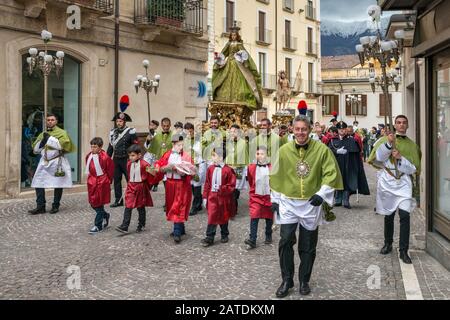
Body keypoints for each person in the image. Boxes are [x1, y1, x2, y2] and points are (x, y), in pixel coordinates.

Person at [270, 116, 343, 297]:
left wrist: (322, 193)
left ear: (310, 129)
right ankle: (287, 279)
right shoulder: (284, 150)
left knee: (308, 245)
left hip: (311, 203)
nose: (300, 132)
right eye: (297, 129)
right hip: (288, 202)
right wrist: (275, 199)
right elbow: (276, 175)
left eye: (304, 129)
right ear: (292, 130)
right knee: (286, 240)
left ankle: (304, 280)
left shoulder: (322, 150)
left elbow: (330, 173)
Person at [368, 115, 422, 264]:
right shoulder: (385, 140)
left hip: (404, 182)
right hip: (388, 182)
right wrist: (388, 144)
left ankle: (403, 250)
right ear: (394, 125)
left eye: (404, 122)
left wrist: (401, 159)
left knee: (405, 216)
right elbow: (378, 157)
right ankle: (388, 243)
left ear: (408, 125)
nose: (401, 125)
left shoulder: (412, 146)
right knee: (389, 215)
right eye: (398, 122)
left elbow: (413, 169)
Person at [152, 134, 196, 243]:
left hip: (181, 184)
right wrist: (162, 168)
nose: (180, 147)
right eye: (178, 145)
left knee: (178, 206)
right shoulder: (167, 154)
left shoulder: (186, 156)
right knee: (172, 205)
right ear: (173, 144)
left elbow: (192, 171)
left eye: (181, 145)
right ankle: (181, 228)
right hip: (170, 184)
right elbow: (159, 164)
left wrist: (182, 170)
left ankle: (177, 231)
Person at [28, 113, 75, 215]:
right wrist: (41, 142)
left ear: (56, 121)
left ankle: (55, 205)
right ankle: (40, 206)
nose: (50, 121)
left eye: (52, 120)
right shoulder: (42, 133)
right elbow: (36, 149)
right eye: (48, 120)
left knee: (58, 184)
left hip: (56, 161)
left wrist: (49, 139)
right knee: (38, 182)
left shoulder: (62, 133)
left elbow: (63, 146)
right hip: (44, 161)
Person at [212, 24, 263, 110]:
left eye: (235, 35)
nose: (233, 36)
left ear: (237, 36)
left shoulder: (239, 44)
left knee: (238, 81)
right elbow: (224, 53)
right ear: (230, 36)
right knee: (225, 79)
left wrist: (246, 62)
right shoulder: (228, 44)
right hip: (229, 63)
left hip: (237, 64)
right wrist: (218, 61)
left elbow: (244, 54)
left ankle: (237, 98)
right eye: (232, 35)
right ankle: (226, 98)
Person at [115, 145, 156, 234]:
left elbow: (153, 173)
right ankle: (125, 226)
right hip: (131, 186)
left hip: (140, 187)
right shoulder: (129, 163)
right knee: (128, 206)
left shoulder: (145, 164)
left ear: (139, 155)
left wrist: (149, 184)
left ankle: (141, 224)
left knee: (140, 206)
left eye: (133, 155)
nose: (130, 157)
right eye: (129, 155)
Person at [329, 121, 370, 209]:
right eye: (340, 129)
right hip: (337, 165)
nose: (342, 131)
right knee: (338, 181)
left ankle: (346, 200)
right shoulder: (333, 140)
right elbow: (329, 151)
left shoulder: (351, 140)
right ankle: (338, 199)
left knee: (347, 181)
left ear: (346, 130)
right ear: (338, 130)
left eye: (344, 129)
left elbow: (356, 152)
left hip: (348, 165)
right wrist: (336, 151)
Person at [107, 97, 139, 207]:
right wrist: (107, 159)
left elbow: (135, 146)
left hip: (126, 159)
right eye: (117, 121)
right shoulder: (112, 132)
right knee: (117, 180)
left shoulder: (130, 132)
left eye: (120, 121)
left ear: (124, 122)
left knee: (130, 180)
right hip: (116, 159)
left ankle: (133, 199)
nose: (118, 123)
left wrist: (135, 159)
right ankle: (118, 200)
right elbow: (111, 147)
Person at [202, 148, 236, 247]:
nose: (212, 157)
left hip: (223, 198)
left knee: (223, 215)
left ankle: (224, 233)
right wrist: (205, 196)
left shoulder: (228, 170)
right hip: (212, 196)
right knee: (212, 216)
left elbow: (231, 186)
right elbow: (207, 183)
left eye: (214, 155)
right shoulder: (210, 169)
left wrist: (222, 188)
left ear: (221, 157)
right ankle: (209, 237)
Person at [245, 146, 273, 249]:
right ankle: (252, 239)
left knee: (269, 217)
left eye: (262, 154)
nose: (259, 156)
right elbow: (250, 179)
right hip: (256, 196)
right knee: (254, 216)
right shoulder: (251, 167)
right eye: (257, 154)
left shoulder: (272, 167)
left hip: (268, 196)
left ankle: (268, 234)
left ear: (267, 155)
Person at [85, 137, 114, 234]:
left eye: (95, 147)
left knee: (99, 203)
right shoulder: (89, 155)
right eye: (92, 146)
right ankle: (105, 215)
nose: (93, 149)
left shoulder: (105, 157)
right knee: (93, 203)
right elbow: (88, 166)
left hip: (102, 181)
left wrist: (108, 180)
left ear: (100, 147)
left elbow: (110, 169)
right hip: (92, 181)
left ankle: (98, 225)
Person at [225, 124, 249, 217]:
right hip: (229, 168)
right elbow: (228, 154)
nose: (232, 133)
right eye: (231, 131)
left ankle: (233, 210)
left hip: (239, 168)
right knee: (231, 189)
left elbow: (242, 155)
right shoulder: (229, 142)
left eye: (234, 131)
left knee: (235, 189)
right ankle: (231, 208)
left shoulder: (243, 142)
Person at [184, 122, 207, 216]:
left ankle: (194, 206)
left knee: (197, 184)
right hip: (189, 165)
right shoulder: (185, 140)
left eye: (191, 131)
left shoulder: (200, 139)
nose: (189, 133)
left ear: (193, 130)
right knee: (192, 185)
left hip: (199, 165)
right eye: (187, 131)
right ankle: (199, 202)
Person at [145, 117, 173, 192]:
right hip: (159, 161)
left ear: (170, 125)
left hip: (170, 162)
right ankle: (152, 187)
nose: (166, 128)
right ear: (161, 125)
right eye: (164, 126)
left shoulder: (174, 135)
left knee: (169, 184)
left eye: (167, 126)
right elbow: (149, 147)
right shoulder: (156, 135)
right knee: (149, 172)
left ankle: (169, 202)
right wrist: (148, 141)